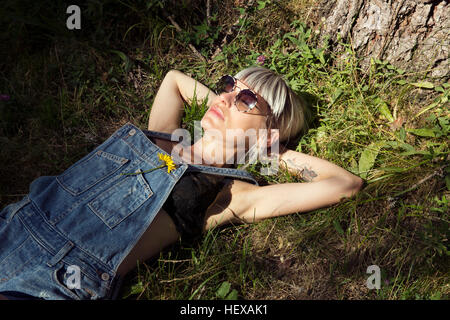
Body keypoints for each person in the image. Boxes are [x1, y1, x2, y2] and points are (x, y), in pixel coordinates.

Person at [0, 66, 363, 300]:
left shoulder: (230, 194)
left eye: (247, 98)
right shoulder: (164, 133)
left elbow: (344, 184)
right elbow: (173, 80)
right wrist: (230, 110)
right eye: (227, 85)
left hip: (55, 281)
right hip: (12, 224)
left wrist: (268, 150)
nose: (225, 96)